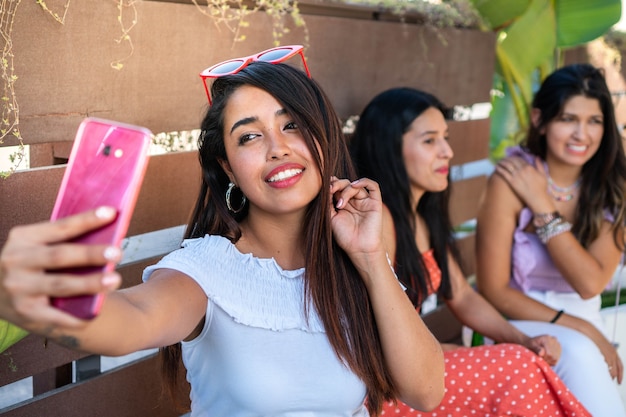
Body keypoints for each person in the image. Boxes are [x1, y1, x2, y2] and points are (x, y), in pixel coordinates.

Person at [0, 52, 446, 416]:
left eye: (291, 124)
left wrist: (369, 258)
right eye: (249, 137)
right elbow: (135, 316)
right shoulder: (206, 268)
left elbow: (426, 392)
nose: (278, 147)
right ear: (228, 168)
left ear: (324, 137)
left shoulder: (352, 262)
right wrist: (55, 304)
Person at [349, 87, 591, 416]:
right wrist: (467, 351)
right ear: (388, 148)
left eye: (445, 138)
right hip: (385, 388)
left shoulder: (420, 217)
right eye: (430, 140)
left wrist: (521, 339)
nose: (447, 151)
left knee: (523, 359)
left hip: (416, 373)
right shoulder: (381, 223)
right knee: (517, 368)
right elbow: (374, 340)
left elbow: (461, 295)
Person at [476, 63, 626, 416]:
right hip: (521, 318)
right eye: (567, 119)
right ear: (539, 120)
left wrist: (541, 204)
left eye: (594, 121)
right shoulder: (510, 180)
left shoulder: (612, 186)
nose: (581, 134)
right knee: (580, 353)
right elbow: (494, 291)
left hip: (587, 317)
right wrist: (583, 328)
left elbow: (589, 283)